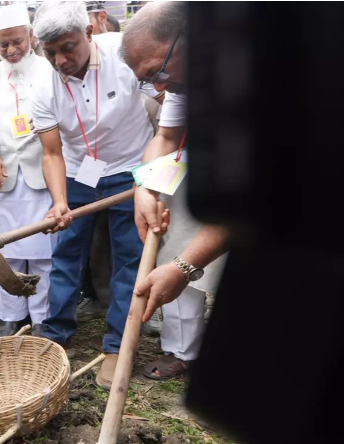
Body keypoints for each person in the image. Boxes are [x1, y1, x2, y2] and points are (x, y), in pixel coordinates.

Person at [30, 0, 153, 388]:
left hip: (134, 170)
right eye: (50, 53)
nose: (60, 60)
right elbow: (51, 152)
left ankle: (118, 345)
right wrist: (60, 200)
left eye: (68, 47)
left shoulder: (126, 53)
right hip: (81, 173)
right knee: (66, 252)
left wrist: (151, 176)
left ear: (89, 33)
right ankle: (54, 334)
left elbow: (167, 105)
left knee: (129, 258)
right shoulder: (42, 84)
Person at [119, 2, 227, 381]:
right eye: (149, 80)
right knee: (175, 240)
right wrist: (144, 186)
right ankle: (184, 351)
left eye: (159, 71)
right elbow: (164, 137)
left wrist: (184, 267)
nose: (159, 87)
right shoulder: (181, 79)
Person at [0, 5, 54, 338]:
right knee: (6, 250)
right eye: (4, 43)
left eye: (17, 42)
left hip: (42, 168)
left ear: (31, 36)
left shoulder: (49, 69)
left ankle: (40, 318)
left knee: (42, 251)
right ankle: (9, 315)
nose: (11, 50)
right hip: (4, 171)